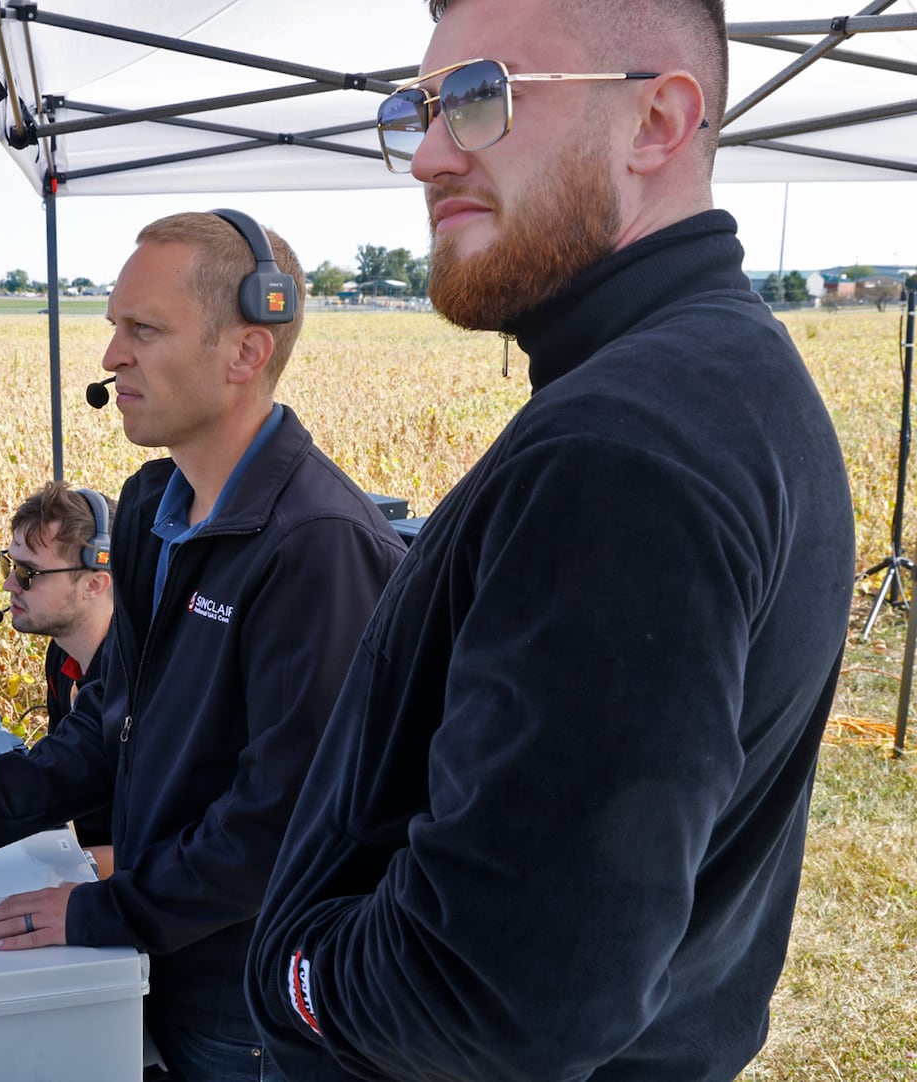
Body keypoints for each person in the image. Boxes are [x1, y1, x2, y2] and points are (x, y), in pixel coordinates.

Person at [247, 2, 856, 1080]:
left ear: (657, 123)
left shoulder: (624, 448)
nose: (429, 156)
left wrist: (293, 971)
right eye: (416, 110)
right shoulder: (713, 377)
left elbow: (493, 996)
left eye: (481, 98)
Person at [0, 210, 408, 1080]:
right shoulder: (151, 505)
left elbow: (284, 824)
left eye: (142, 329)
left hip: (246, 999)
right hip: (164, 958)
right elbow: (113, 717)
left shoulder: (318, 546)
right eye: (114, 327)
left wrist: (109, 908)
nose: (111, 356)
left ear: (246, 353)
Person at [1, 480, 118, 870]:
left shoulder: (144, 682)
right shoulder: (64, 656)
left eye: (27, 572)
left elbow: (180, 854)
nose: (9, 584)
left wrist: (63, 867)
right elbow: (61, 780)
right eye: (9, 563)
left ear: (94, 584)